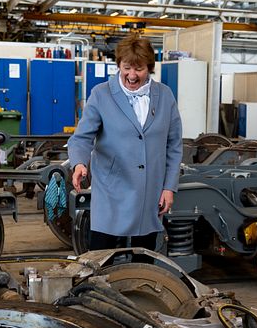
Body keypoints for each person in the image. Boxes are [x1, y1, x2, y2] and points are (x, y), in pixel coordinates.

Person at [68, 34, 183, 255]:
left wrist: (169, 187)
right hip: (112, 190)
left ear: (149, 67)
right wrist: (79, 164)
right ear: (119, 65)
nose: (132, 75)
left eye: (138, 69)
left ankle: (139, 287)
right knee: (102, 257)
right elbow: (81, 138)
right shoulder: (101, 95)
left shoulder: (165, 96)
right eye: (126, 67)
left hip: (150, 191)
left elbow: (174, 145)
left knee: (144, 256)